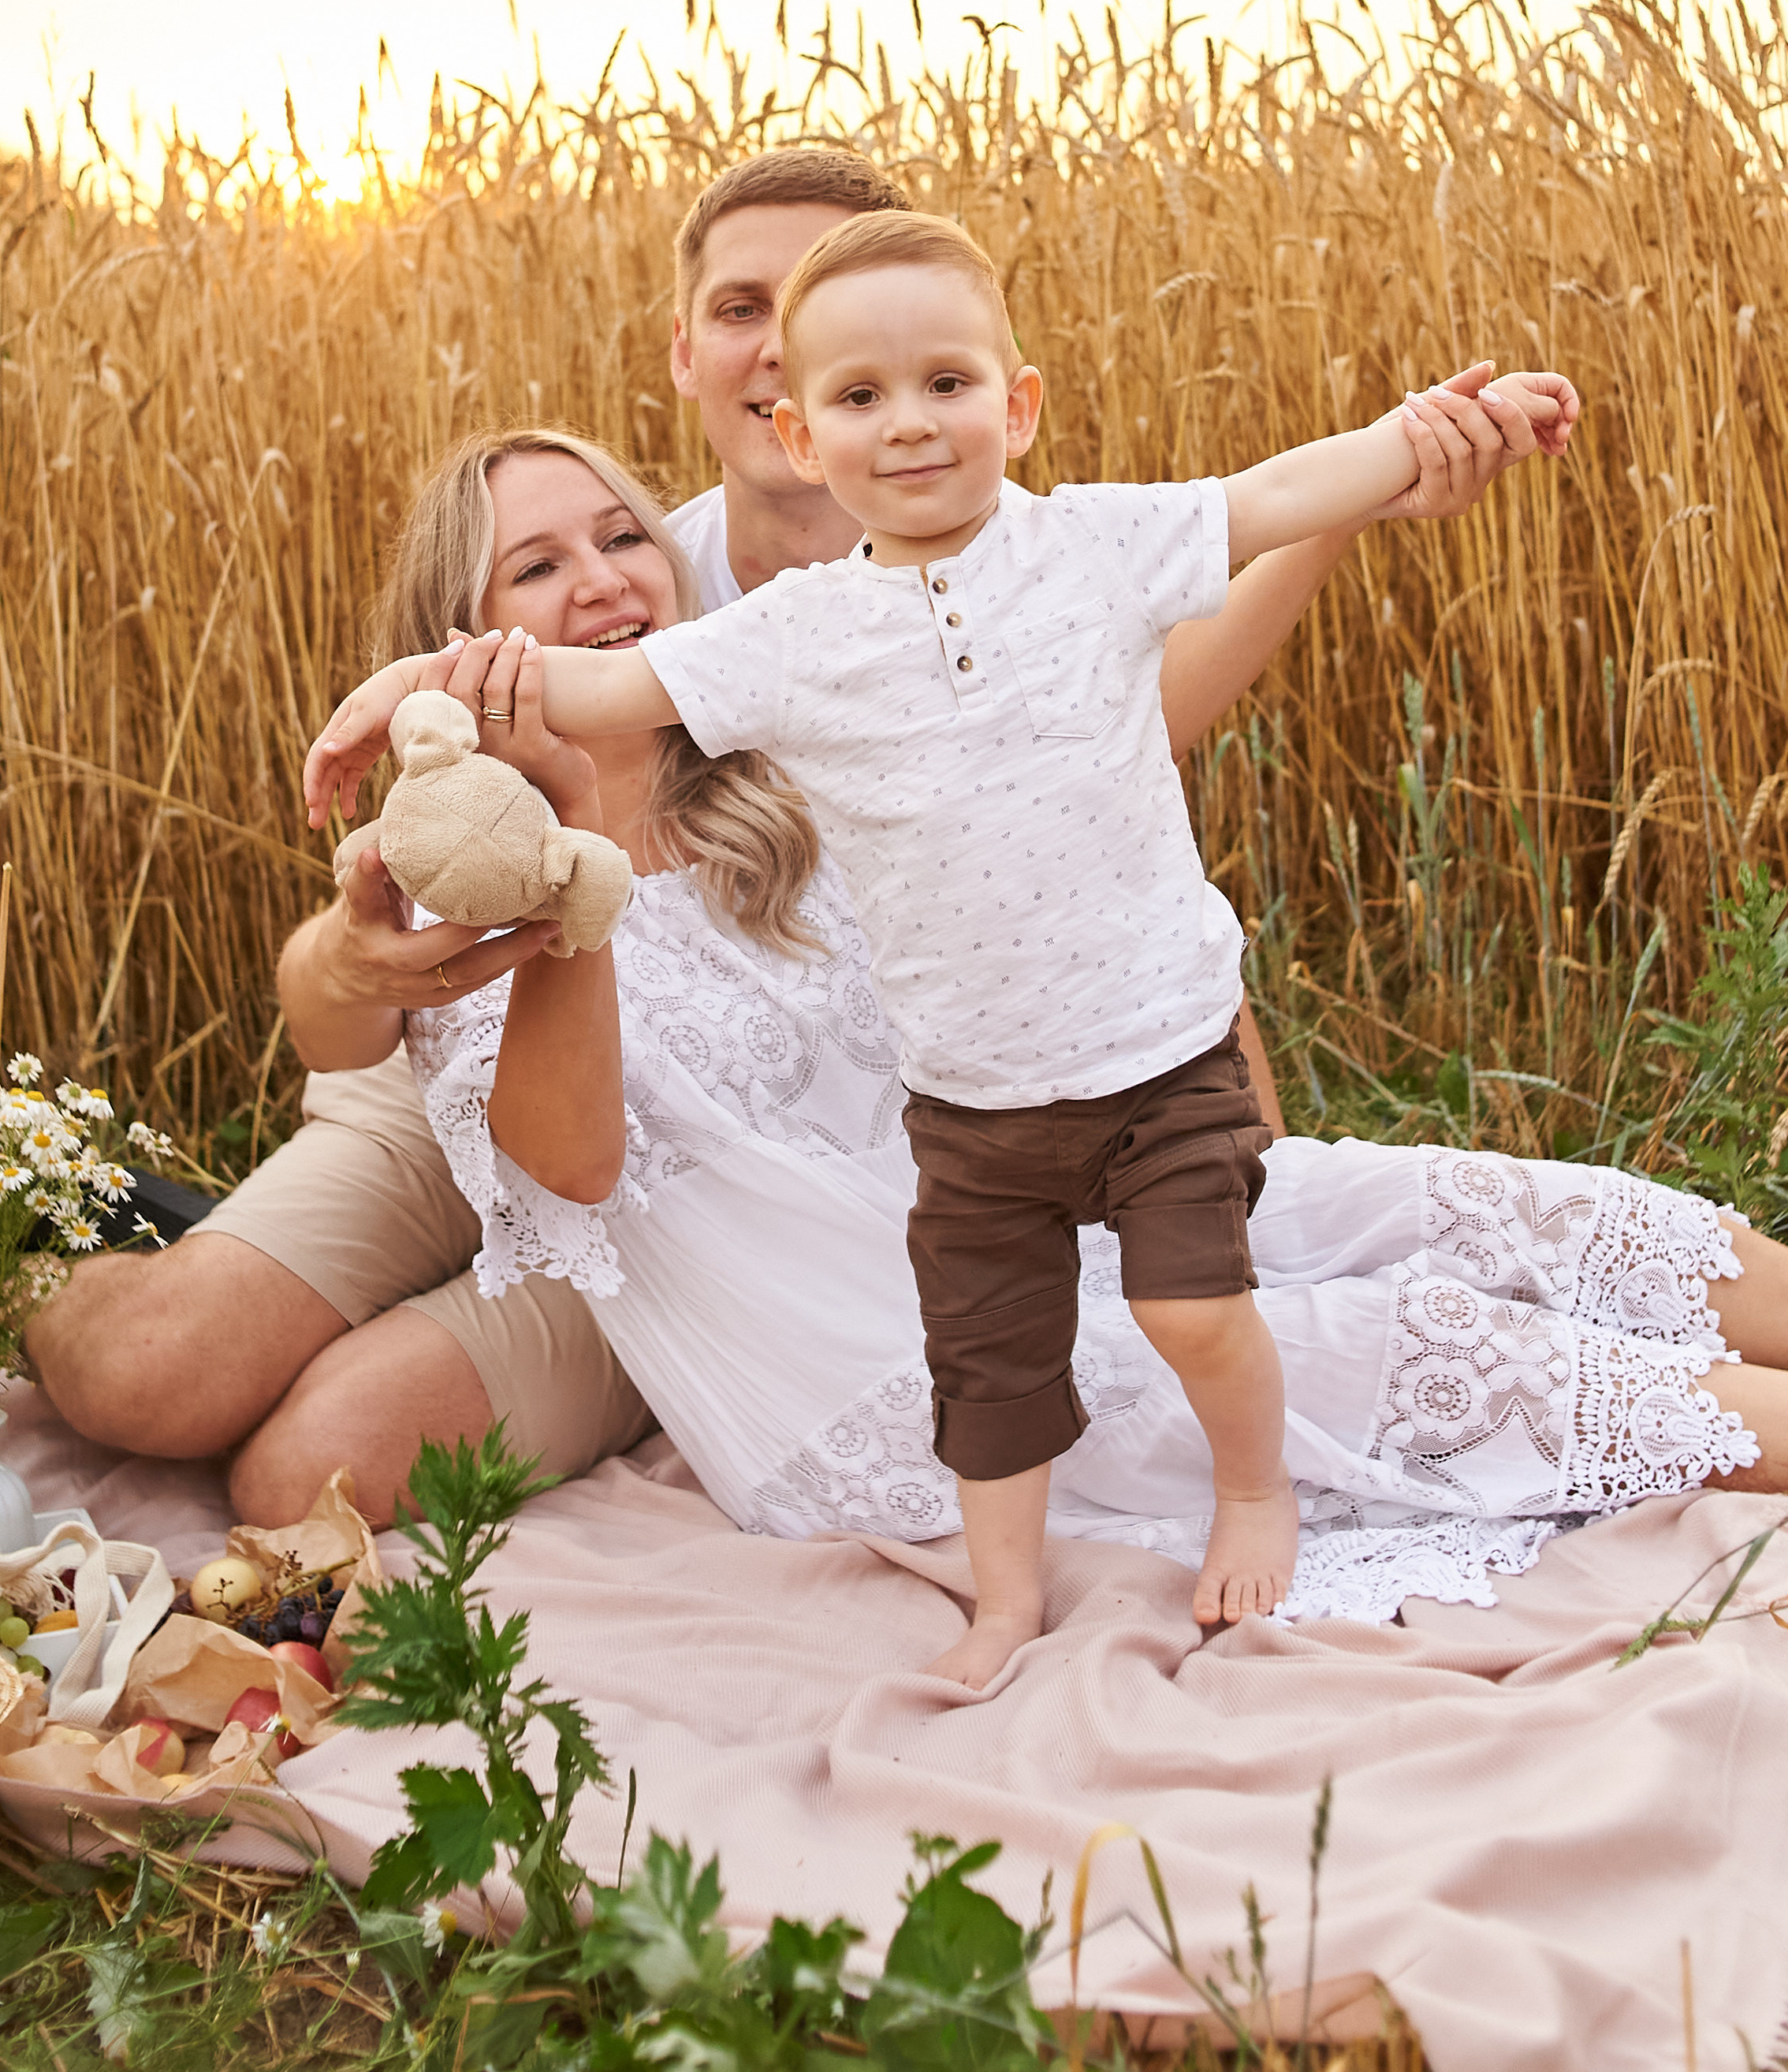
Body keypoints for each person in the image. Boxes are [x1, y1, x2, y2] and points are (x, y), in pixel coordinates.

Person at [28, 146, 1542, 1526]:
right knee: (156, 1367)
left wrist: (1350, 503)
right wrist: (362, 942)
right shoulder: (645, 573)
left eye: (823, 303)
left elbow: (1102, 777)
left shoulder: (904, 577)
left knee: (313, 1464)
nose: (785, 341)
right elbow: (350, 978)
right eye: (745, 305)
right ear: (696, 357)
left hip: (710, 1163)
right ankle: (62, 1224)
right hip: (447, 1073)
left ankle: (497, 1343)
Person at [304, 217, 1581, 1682]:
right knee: (1169, 1363)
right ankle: (1022, 1594)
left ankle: (1258, 1469)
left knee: (1440, 1238)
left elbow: (1269, 502)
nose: (905, 425)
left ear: (1015, 402)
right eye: (533, 565)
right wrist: (413, 698)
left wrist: (1425, 433)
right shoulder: (739, 684)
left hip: (1101, 1120)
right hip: (886, 1286)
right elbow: (588, 701)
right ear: (801, 430)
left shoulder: (972, 607)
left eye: (613, 537)